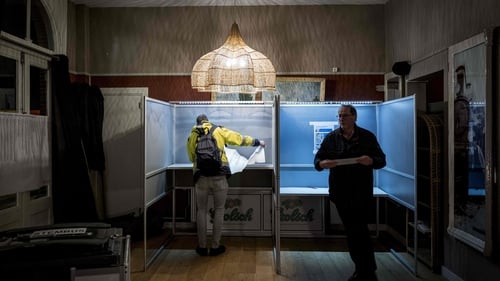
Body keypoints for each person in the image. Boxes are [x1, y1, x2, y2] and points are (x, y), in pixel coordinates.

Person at [314, 104, 386, 281]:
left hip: (361, 193)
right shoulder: (331, 138)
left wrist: (370, 161)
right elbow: (317, 160)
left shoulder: (367, 137)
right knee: (353, 231)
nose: (341, 119)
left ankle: (365, 270)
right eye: (339, 115)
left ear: (354, 117)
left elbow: (381, 160)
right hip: (341, 193)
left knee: (359, 230)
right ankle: (365, 269)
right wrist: (323, 164)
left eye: (345, 115)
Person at [186, 114, 265, 256]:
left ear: (197, 122)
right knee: (219, 210)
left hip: (201, 178)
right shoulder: (218, 130)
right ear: (208, 121)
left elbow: (191, 157)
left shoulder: (193, 134)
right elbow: (238, 139)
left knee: (201, 210)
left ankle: (202, 247)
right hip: (219, 177)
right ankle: (215, 246)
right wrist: (257, 142)